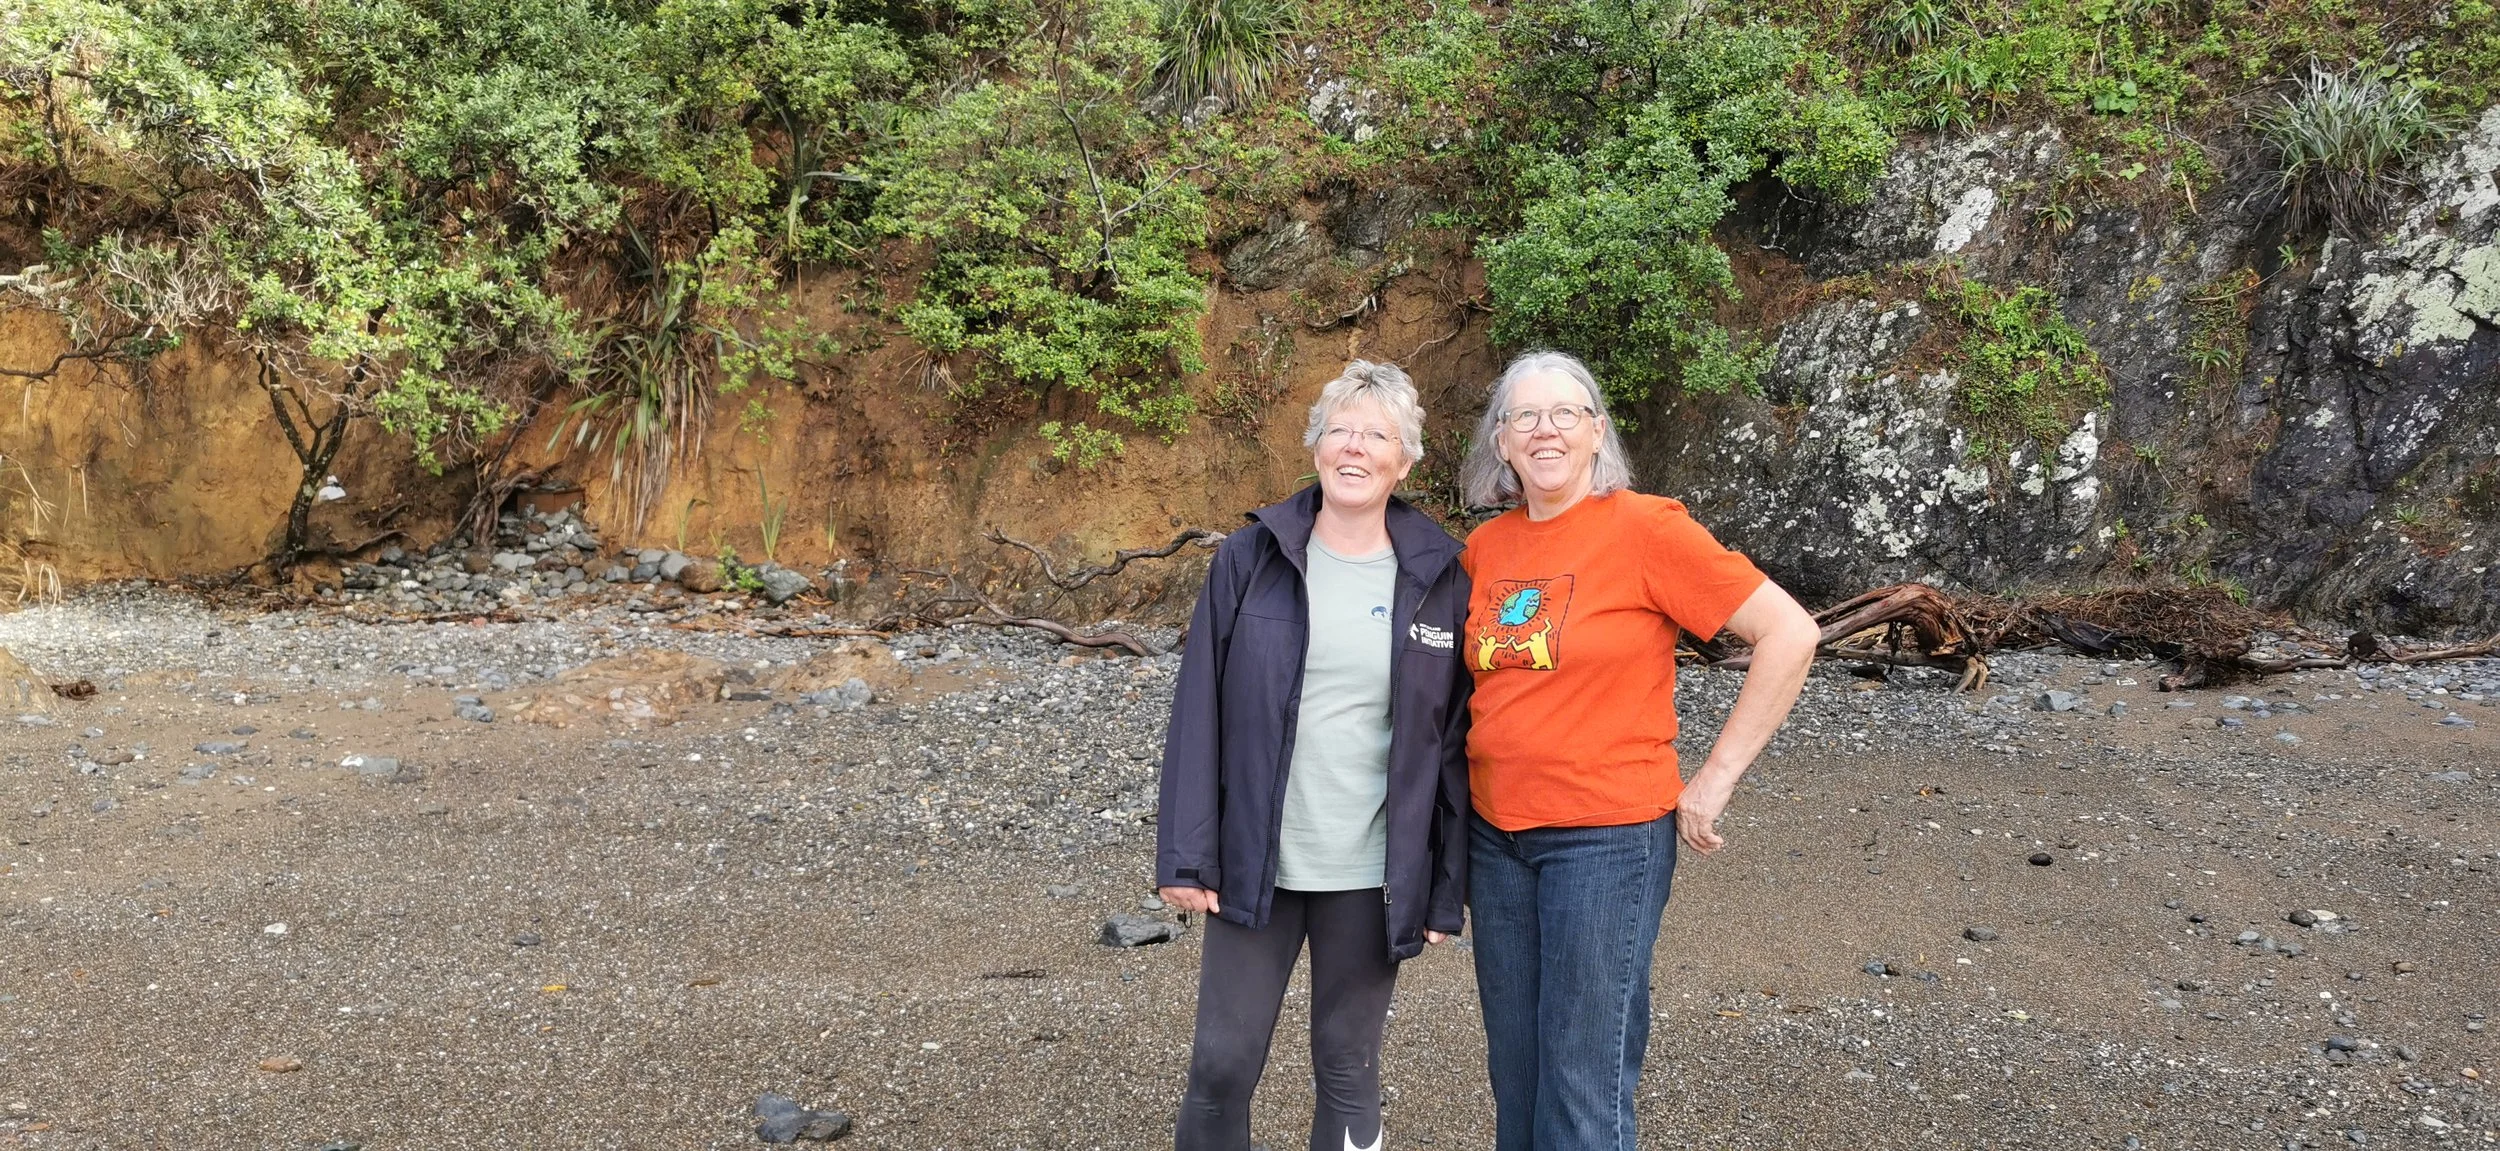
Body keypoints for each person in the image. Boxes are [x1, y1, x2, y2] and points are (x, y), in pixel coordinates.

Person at [1453, 350, 1821, 1150]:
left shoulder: (1649, 529)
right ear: (1503, 444)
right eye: (1525, 417)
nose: (1544, 430)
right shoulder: (1486, 548)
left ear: (1596, 432)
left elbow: (1790, 632)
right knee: (1517, 1078)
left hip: (1605, 841)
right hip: (1495, 839)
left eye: (1564, 414)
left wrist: (1715, 778)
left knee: (1584, 1085)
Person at [1155, 360, 1475, 1151]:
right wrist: (1185, 855)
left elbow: (1453, 744)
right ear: (1316, 446)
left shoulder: (1441, 574)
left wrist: (1445, 886)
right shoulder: (1249, 558)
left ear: (1406, 459)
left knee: (1346, 1064)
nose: (1356, 447)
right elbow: (1198, 711)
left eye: (1378, 434)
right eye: (1341, 430)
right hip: (1254, 861)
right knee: (1222, 1064)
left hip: (1372, 873)